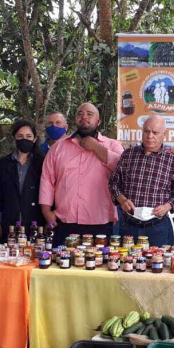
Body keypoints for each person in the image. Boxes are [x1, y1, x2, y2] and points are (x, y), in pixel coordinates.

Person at [40, 102, 124, 246]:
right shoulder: (58, 148)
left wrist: (96, 147)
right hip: (65, 221)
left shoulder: (113, 145)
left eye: (89, 114)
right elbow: (47, 179)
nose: (84, 116)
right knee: (63, 266)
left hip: (100, 221)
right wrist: (47, 213)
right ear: (75, 120)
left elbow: (123, 169)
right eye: (80, 113)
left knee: (98, 267)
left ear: (98, 121)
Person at [109, 115, 174, 245]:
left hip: (157, 227)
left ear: (164, 134)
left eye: (155, 132)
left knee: (156, 263)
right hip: (129, 224)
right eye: (146, 131)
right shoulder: (128, 155)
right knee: (127, 263)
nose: (150, 136)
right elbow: (113, 183)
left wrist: (167, 207)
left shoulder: (173, 161)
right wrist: (122, 200)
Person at [0, 120, 44, 243]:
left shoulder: (43, 162)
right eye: (20, 136)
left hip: (35, 222)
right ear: (14, 138)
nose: (24, 139)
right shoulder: (5, 163)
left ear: (35, 139)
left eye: (28, 136)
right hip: (10, 222)